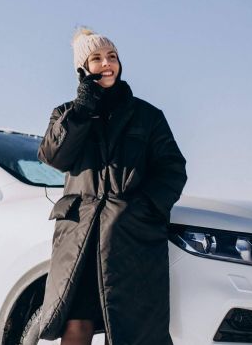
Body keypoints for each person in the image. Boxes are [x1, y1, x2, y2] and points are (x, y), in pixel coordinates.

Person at [36, 27, 188, 345]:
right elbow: (54, 156)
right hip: (80, 239)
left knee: (130, 332)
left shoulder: (148, 117)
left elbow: (173, 169)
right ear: (82, 68)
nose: (107, 64)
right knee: (76, 324)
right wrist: (82, 110)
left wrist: (142, 209)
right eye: (96, 58)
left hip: (130, 239)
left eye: (112, 57)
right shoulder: (66, 114)